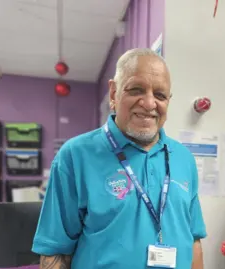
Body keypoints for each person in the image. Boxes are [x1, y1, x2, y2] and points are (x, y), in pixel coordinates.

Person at [32, 48, 207, 269]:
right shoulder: (75, 157)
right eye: (136, 90)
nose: (150, 103)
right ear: (114, 93)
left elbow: (193, 240)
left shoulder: (184, 159)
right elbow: (54, 252)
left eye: (160, 95)